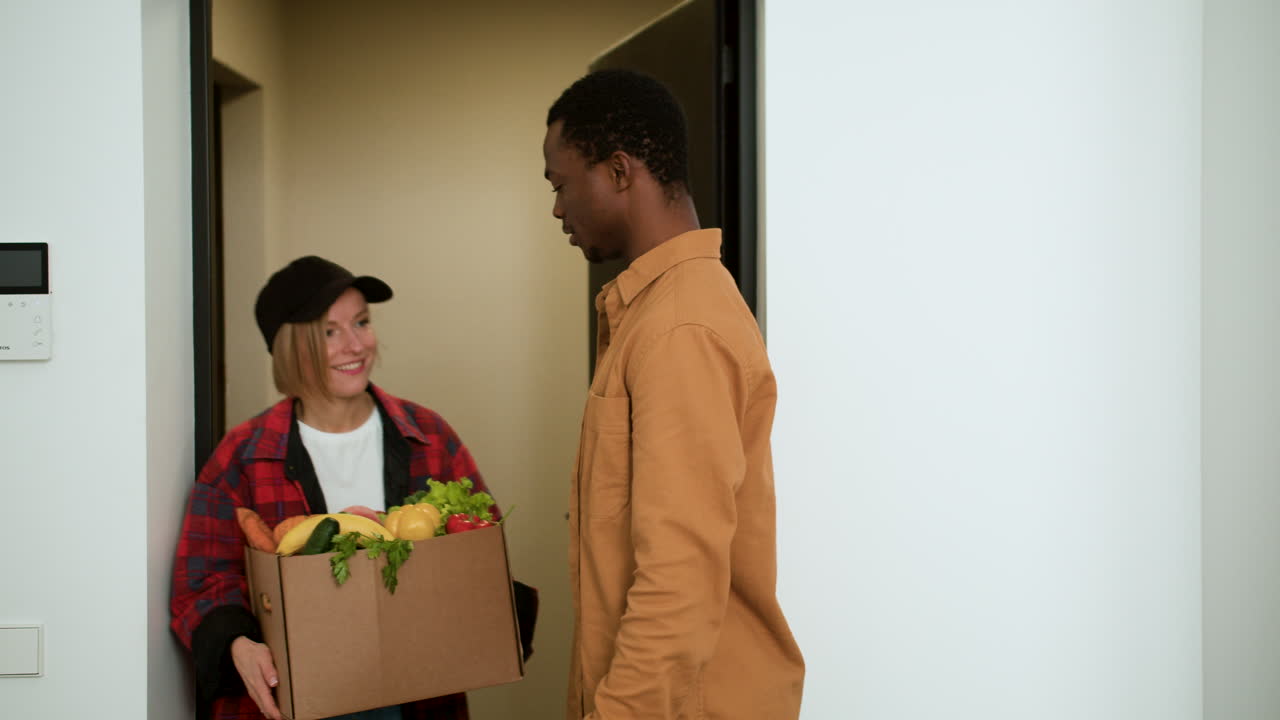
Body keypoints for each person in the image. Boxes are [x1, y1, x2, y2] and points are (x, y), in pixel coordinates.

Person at [542, 69, 806, 719]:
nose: (556, 209)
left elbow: (676, 587)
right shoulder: (655, 314)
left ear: (620, 172)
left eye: (560, 184)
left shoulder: (678, 329)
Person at [170, 256, 492, 720]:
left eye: (362, 322)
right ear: (291, 348)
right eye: (330, 331)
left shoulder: (428, 435)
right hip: (293, 697)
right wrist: (237, 643)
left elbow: (479, 543)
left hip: (415, 697)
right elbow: (200, 580)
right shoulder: (242, 454)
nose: (355, 344)